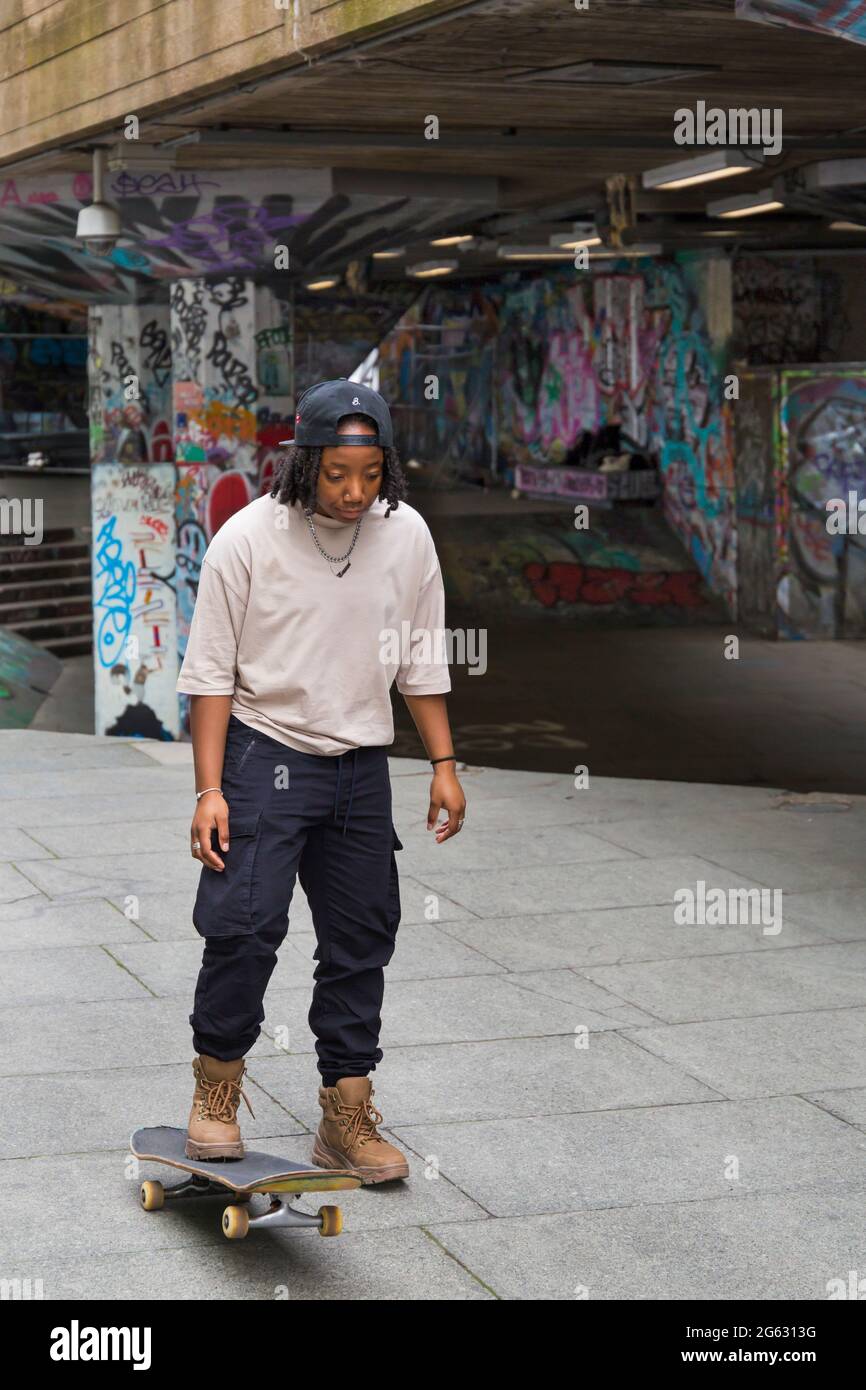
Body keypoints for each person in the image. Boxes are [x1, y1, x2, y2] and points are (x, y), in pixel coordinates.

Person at [175, 379, 466, 1184]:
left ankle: (346, 1114)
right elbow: (209, 677)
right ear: (302, 462)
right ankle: (216, 1094)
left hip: (361, 770)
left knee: (362, 938)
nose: (354, 492)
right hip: (264, 754)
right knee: (243, 926)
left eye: (371, 474)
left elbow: (422, 660)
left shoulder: (406, 536)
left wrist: (443, 764)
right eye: (338, 473)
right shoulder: (246, 540)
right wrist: (209, 790)